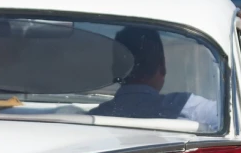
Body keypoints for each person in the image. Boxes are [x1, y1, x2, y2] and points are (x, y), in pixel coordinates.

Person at [89, 26, 219, 129]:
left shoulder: (94, 117)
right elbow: (228, 116)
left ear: (115, 70)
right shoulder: (185, 106)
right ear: (162, 66)